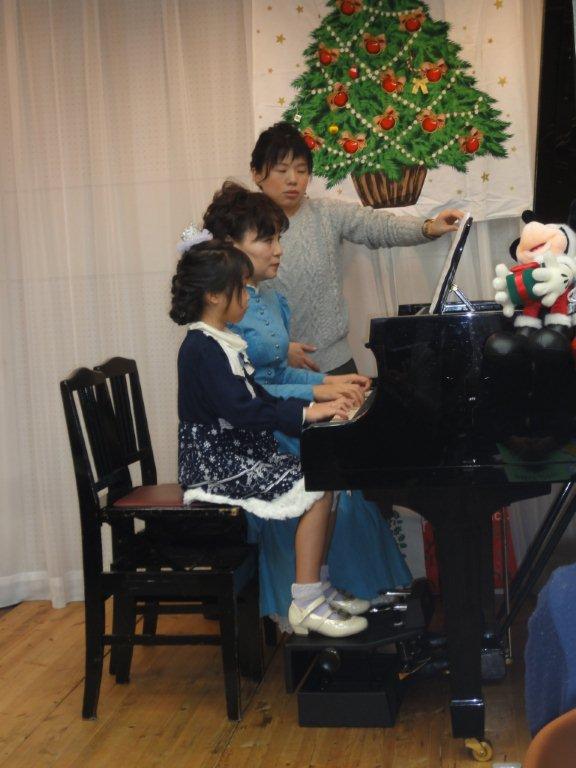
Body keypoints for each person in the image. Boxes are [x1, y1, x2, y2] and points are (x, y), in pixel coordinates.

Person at [192, 182, 413, 626]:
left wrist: (330, 382)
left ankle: (329, 588)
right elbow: (249, 394)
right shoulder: (226, 311)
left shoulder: (268, 297)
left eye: (279, 238)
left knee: (341, 470)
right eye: (266, 239)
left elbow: (277, 373)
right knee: (329, 473)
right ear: (231, 245)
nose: (278, 250)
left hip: (273, 414)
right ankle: (305, 597)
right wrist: (318, 398)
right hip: (252, 432)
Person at [170, 236, 368, 638]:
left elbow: (257, 396)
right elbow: (242, 411)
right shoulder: (202, 348)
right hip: (215, 464)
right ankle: (306, 602)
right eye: (240, 289)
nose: (247, 297)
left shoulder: (222, 341)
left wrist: (310, 409)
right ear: (212, 294)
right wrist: (307, 413)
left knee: (326, 477)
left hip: (233, 452)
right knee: (316, 486)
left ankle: (319, 586)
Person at [250, 121, 464, 374]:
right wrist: (277, 348)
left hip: (334, 364)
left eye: (301, 170)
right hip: (271, 368)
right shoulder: (241, 227)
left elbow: (378, 226)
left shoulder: (327, 213)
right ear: (256, 173)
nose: (293, 180)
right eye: (281, 170)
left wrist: (427, 227)